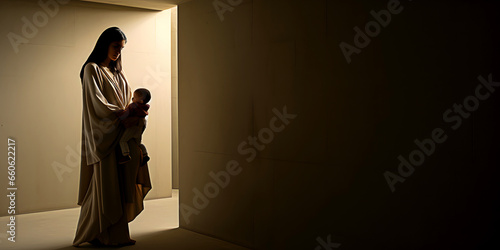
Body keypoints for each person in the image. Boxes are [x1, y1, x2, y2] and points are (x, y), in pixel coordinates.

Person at [72, 27, 152, 247]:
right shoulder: (92, 69)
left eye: (121, 48)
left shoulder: (118, 74)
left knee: (117, 187)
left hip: (119, 135)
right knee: (104, 186)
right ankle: (101, 234)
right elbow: (98, 105)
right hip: (104, 136)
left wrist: (135, 112)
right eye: (115, 46)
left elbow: (126, 101)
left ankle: (113, 235)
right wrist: (124, 115)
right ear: (105, 44)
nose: (118, 51)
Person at [117, 88, 151, 164]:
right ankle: (145, 155)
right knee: (139, 143)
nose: (132, 99)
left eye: (134, 97)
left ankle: (125, 155)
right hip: (141, 127)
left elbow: (125, 114)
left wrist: (119, 113)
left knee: (123, 140)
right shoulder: (145, 107)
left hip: (133, 127)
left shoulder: (133, 106)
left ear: (141, 101)